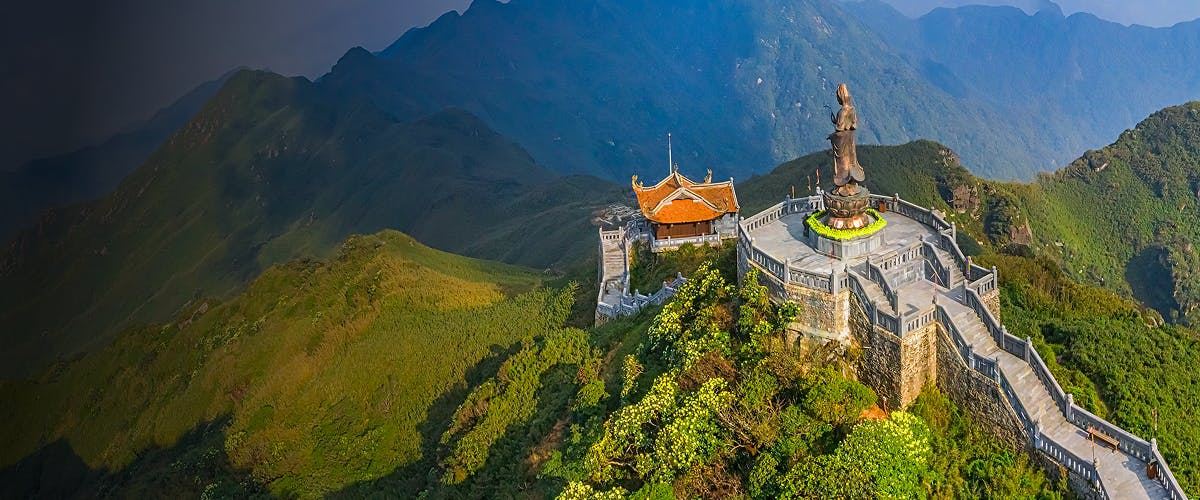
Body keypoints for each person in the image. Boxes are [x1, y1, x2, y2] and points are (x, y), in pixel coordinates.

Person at [828, 83, 865, 195]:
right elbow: (854, 125)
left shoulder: (841, 112)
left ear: (840, 96)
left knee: (843, 165)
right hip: (850, 140)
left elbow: (839, 129)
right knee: (851, 162)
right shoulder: (852, 110)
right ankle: (852, 184)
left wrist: (832, 136)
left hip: (843, 142)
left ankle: (843, 185)